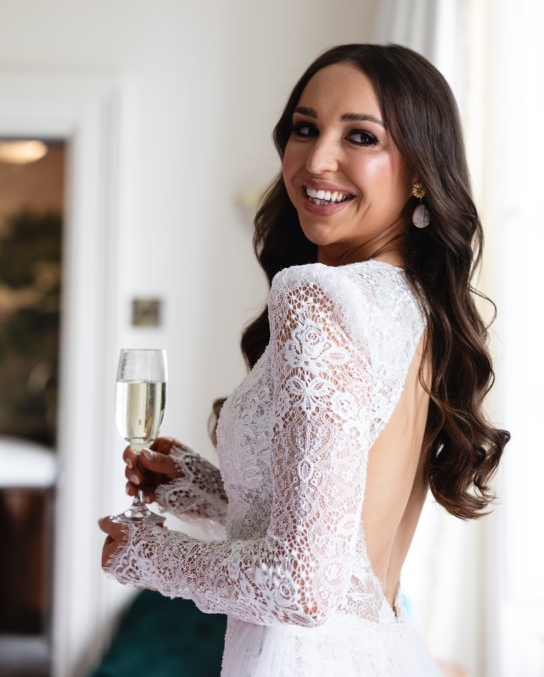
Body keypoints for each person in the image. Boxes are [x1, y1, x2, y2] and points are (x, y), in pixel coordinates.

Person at [99, 43, 509, 676]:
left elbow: (301, 588)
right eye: (305, 129)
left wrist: (147, 554)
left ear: (423, 171)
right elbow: (344, 542)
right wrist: (199, 489)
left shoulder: (319, 298)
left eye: (362, 137)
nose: (317, 159)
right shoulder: (420, 305)